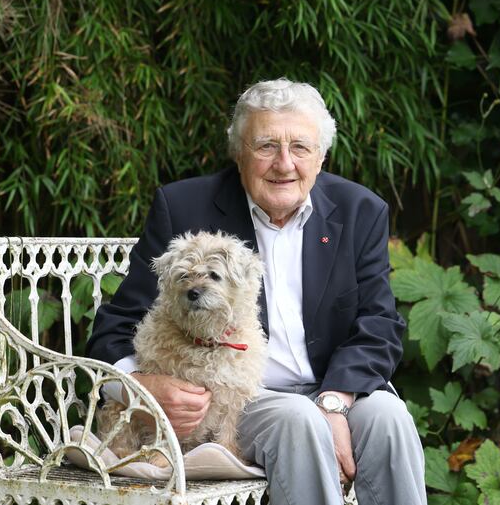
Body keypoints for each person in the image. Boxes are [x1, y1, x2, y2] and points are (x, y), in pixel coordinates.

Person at [86, 78, 426, 505]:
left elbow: (379, 325)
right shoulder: (184, 207)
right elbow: (115, 326)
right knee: (297, 418)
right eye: (266, 146)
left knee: (390, 416)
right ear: (239, 153)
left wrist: (336, 402)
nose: (284, 164)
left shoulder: (360, 210)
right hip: (241, 401)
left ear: (320, 157)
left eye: (300, 147)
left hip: (335, 386)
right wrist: (143, 385)